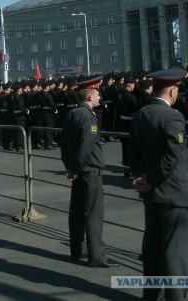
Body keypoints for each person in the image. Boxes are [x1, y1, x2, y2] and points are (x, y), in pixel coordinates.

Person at [129, 68, 188, 301]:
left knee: (153, 249)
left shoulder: (141, 114)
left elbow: (133, 152)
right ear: (173, 90)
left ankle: (151, 296)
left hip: (151, 192)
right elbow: (173, 156)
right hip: (173, 190)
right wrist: (149, 178)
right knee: (175, 251)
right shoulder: (173, 117)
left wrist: (141, 178)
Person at [60, 75, 118, 268]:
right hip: (88, 168)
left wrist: (69, 166)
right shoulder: (89, 116)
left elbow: (65, 143)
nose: (100, 98)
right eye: (97, 94)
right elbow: (86, 145)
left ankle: (77, 250)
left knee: (76, 212)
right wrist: (76, 167)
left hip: (77, 169)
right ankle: (97, 255)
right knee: (93, 213)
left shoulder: (72, 114)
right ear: (90, 97)